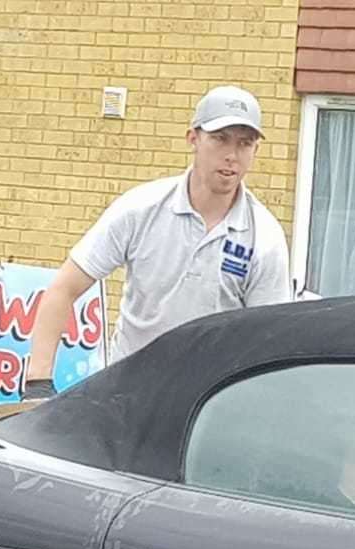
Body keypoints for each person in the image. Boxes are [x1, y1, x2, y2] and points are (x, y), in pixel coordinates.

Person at [21, 86, 291, 397]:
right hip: (125, 395)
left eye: (245, 144)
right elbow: (64, 288)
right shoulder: (141, 208)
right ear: (193, 138)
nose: (232, 155)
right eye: (220, 139)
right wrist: (38, 383)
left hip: (206, 404)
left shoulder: (265, 239)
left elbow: (267, 342)